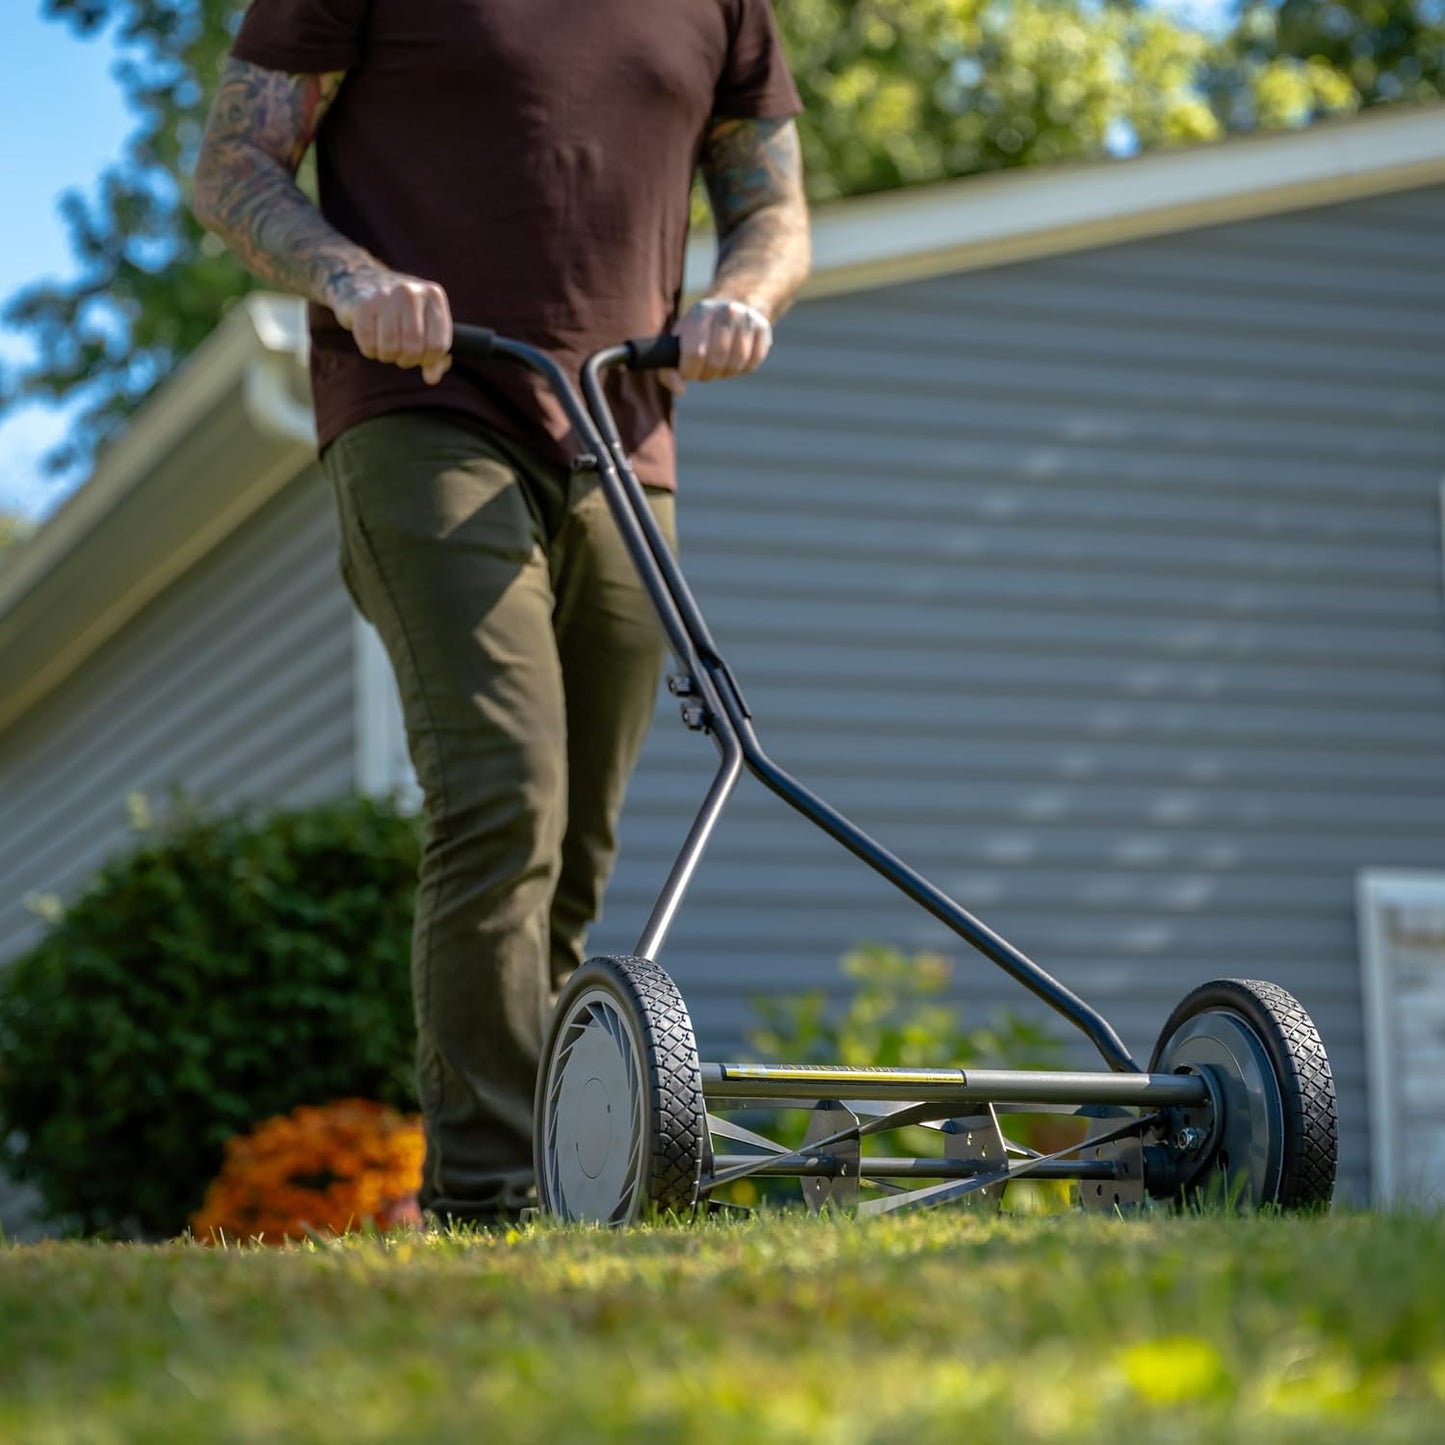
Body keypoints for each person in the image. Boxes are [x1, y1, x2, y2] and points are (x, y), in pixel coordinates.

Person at [192, 0, 812, 1224]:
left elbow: (772, 206)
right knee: (502, 791)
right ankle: (491, 1195)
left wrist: (743, 294)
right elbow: (231, 165)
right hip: (423, 408)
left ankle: (559, 1171)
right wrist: (353, 276)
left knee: (575, 841)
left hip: (623, 434)